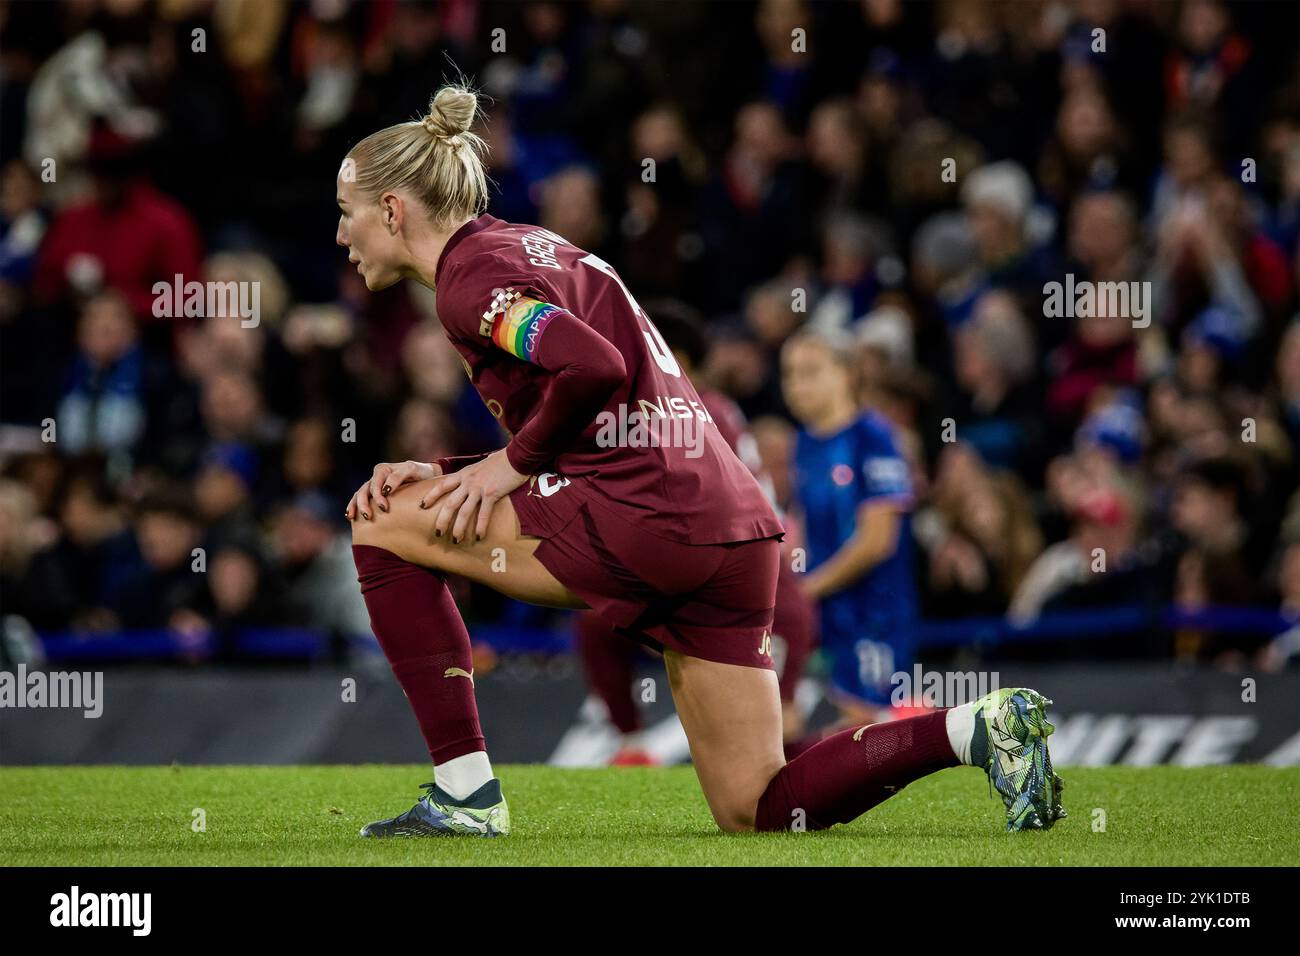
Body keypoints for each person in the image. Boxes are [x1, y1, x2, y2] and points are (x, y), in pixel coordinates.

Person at [340, 84, 1064, 836]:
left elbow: (591, 367)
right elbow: (597, 399)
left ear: (393, 210)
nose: (339, 234)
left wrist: (502, 468)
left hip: (645, 517)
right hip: (729, 527)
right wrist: (465, 468)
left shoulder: (468, 280)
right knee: (760, 806)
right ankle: (974, 728)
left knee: (379, 524)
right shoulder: (528, 246)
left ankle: (465, 794)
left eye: (346, 210)